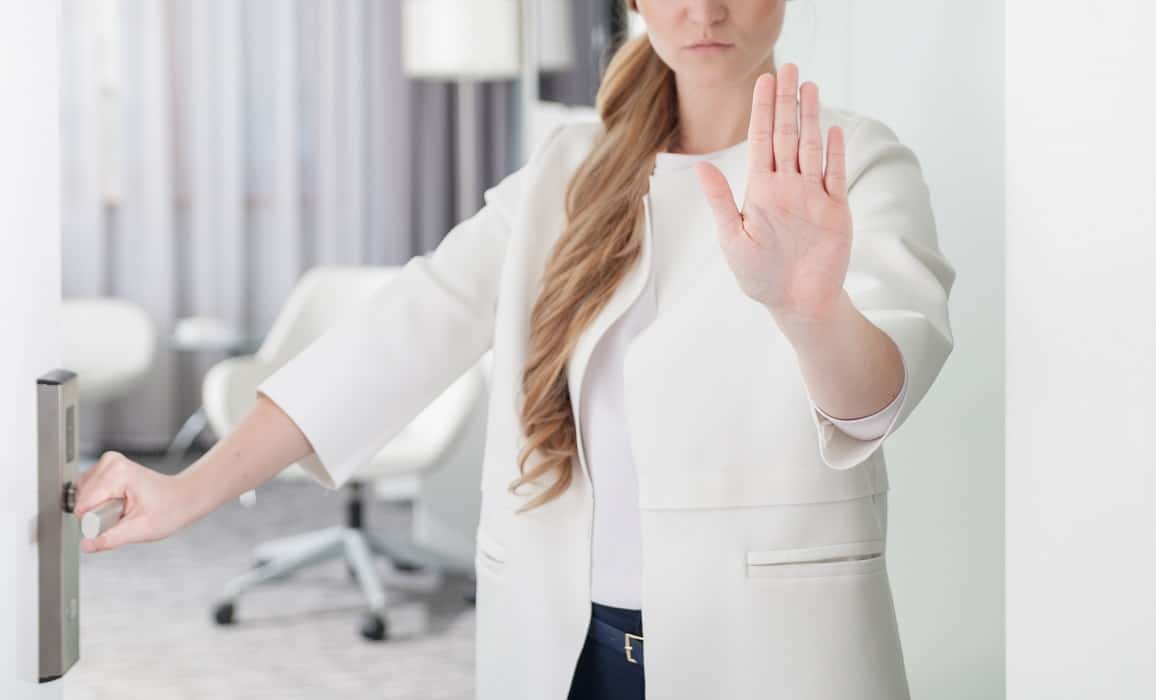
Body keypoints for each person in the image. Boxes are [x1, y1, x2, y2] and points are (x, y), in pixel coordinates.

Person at [73, 1, 956, 698]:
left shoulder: (854, 163)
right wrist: (189, 490)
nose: (707, 8)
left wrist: (809, 311)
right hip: (568, 641)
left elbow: (875, 397)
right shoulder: (569, 170)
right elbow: (394, 339)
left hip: (770, 648)